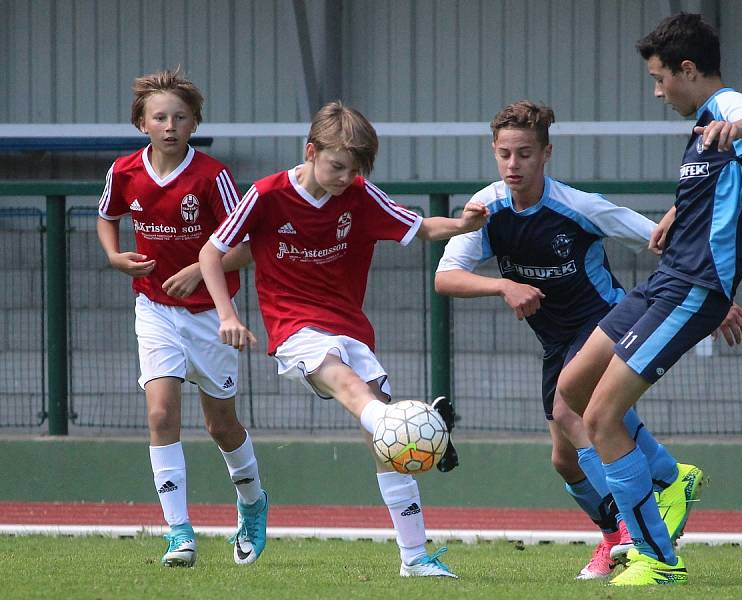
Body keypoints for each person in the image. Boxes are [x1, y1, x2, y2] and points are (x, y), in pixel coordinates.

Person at [198, 101, 488, 578]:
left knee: (387, 444)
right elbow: (213, 252)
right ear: (311, 152)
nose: (343, 176)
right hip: (293, 327)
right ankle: (408, 422)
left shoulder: (359, 195)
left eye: (353, 169)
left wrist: (461, 225)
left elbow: (419, 226)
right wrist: (227, 315)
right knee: (353, 387)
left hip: (349, 325)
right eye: (336, 165)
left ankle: (414, 557)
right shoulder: (266, 195)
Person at [434, 99, 715, 580]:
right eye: (504, 154)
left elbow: (657, 239)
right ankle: (648, 500)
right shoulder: (488, 210)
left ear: (546, 153)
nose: (512, 164)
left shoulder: (577, 207)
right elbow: (446, 277)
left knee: (571, 409)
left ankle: (637, 532)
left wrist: (717, 291)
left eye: (524, 153)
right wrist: (502, 284)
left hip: (605, 320)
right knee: (565, 459)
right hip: (556, 340)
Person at [557, 13, 742, 586]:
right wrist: (680, 211)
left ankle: (657, 559)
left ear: (688, 69)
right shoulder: (704, 124)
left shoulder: (726, 108)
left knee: (601, 416)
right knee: (572, 390)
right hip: (668, 277)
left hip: (695, 286)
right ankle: (670, 479)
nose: (657, 91)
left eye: (660, 79)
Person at [97, 69, 267, 568]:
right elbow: (108, 215)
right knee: (160, 414)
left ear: (194, 123)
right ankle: (179, 533)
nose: (170, 125)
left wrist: (199, 268)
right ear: (142, 123)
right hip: (153, 309)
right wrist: (113, 255)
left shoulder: (212, 177)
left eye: (180, 117)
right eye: (159, 117)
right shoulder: (124, 171)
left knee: (220, 424)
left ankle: (253, 502)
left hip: (210, 315)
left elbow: (247, 247)